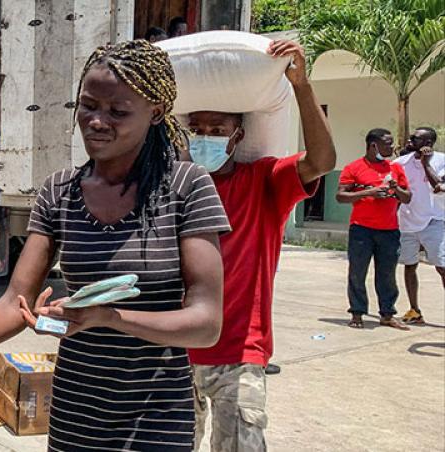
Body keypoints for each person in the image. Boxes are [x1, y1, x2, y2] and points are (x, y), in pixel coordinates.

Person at [0, 40, 230, 451]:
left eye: (118, 111)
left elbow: (206, 323)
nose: (97, 121)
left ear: (156, 113)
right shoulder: (59, 192)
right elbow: (13, 303)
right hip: (75, 415)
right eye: (88, 106)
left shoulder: (187, 188)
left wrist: (109, 317)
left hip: (155, 418)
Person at [184, 39, 337, 451]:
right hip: (175, 351)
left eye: (217, 131)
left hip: (240, 351)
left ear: (237, 136)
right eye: (197, 130)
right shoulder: (176, 187)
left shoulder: (263, 181)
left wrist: (302, 86)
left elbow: (322, 161)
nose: (205, 138)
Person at [336, 128, 412, 330]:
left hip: (389, 230)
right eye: (388, 143)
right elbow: (341, 196)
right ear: (373, 146)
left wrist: (395, 188)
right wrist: (369, 193)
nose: (392, 147)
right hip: (361, 230)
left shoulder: (395, 168)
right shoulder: (354, 168)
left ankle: (387, 314)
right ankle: (357, 313)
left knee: (387, 274)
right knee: (357, 272)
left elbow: (407, 198)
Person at [395, 127, 445, 324]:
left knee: (442, 267)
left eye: (415, 138)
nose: (410, 140)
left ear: (428, 144)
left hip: (434, 221)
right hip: (407, 223)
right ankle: (414, 311)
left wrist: (425, 163)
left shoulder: (441, 160)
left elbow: (437, 186)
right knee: (409, 266)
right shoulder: (400, 163)